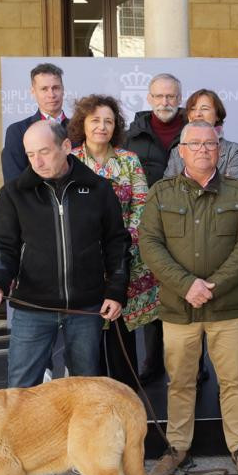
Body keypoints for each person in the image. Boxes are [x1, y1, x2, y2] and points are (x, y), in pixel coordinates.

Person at [139, 121, 238, 475]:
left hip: (226, 308)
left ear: (220, 150)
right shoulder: (162, 194)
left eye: (210, 144)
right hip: (180, 309)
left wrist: (213, 285)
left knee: (233, 380)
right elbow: (150, 244)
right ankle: (177, 446)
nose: (203, 150)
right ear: (181, 151)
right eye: (195, 144)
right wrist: (186, 285)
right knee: (180, 381)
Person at [0, 120, 129, 388]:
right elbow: (1, 245)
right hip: (32, 307)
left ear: (67, 146)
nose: (37, 162)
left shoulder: (98, 189)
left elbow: (116, 244)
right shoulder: (14, 194)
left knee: (86, 390)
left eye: (44, 152)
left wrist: (116, 291)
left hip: (86, 308)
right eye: (30, 154)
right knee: (20, 391)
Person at [69, 95, 160, 390]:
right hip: (82, 266)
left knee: (121, 344)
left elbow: (142, 207)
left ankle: (126, 403)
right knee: (86, 345)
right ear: (82, 123)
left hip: (124, 263)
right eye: (95, 120)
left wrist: (122, 249)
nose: (102, 126)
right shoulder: (70, 162)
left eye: (108, 121)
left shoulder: (128, 160)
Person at [124, 72, 185, 384]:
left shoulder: (193, 130)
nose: (165, 102)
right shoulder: (130, 136)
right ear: (149, 99)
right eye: (159, 96)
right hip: (146, 226)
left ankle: (191, 366)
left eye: (171, 96)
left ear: (179, 98)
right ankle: (152, 361)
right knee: (149, 292)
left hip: (186, 224)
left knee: (184, 291)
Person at [1, 62, 69, 182]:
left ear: (63, 90)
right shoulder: (17, 131)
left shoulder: (79, 128)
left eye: (56, 88)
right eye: (44, 89)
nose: (51, 94)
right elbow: (13, 182)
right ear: (33, 92)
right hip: (36, 199)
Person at [164, 88, 238, 180]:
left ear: (217, 115)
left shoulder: (233, 151)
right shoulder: (177, 151)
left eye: (204, 109)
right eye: (193, 109)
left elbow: (236, 190)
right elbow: (167, 189)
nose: (197, 114)